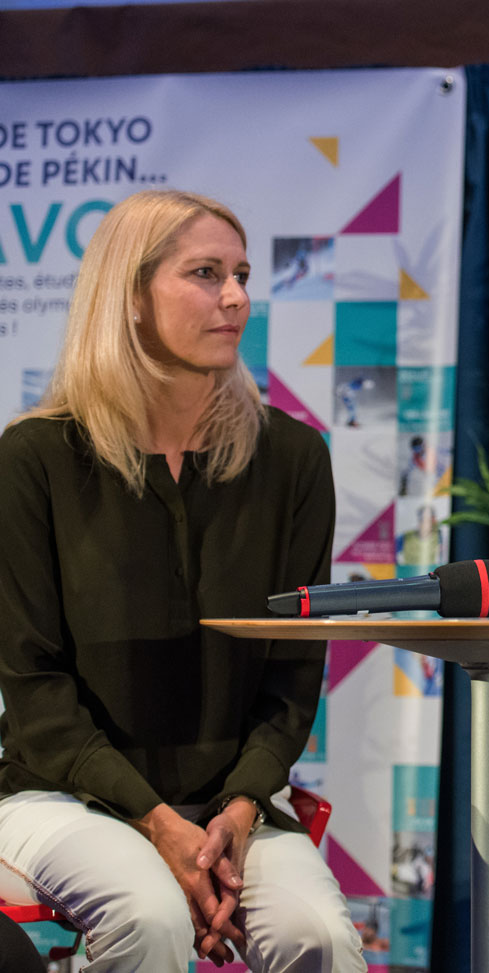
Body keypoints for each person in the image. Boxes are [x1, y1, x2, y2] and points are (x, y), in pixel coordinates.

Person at [0, 189, 365, 972]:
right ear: (129, 298)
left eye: (240, 274)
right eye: (205, 273)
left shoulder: (294, 459)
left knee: (322, 939)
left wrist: (236, 808)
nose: (235, 296)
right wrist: (157, 821)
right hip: (63, 796)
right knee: (150, 914)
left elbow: (293, 678)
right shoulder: (33, 459)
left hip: (234, 808)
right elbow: (33, 689)